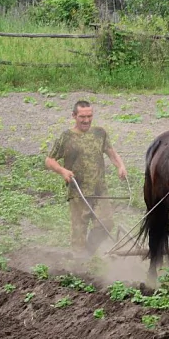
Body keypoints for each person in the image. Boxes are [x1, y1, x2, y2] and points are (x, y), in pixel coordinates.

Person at [45, 100, 128, 253]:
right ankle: (79, 266)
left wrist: (120, 166)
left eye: (89, 116)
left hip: (99, 190)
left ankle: (88, 254)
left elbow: (111, 152)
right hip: (78, 192)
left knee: (106, 223)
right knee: (79, 232)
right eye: (82, 116)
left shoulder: (99, 133)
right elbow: (49, 160)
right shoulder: (67, 137)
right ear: (74, 116)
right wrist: (63, 171)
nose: (86, 120)